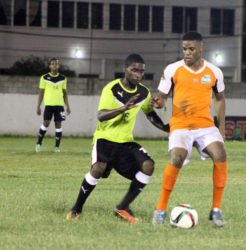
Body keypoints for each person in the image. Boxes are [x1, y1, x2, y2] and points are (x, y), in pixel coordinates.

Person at [66, 54, 169, 223]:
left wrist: (166, 128)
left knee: (148, 165)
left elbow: (149, 113)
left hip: (125, 142)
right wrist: (123, 108)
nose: (138, 74)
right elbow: (100, 115)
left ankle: (122, 207)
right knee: (98, 168)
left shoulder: (143, 92)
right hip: (105, 139)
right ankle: (76, 208)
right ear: (125, 69)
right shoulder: (112, 88)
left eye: (141, 72)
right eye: (134, 70)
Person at [151, 31, 228, 227]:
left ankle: (216, 209)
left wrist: (221, 128)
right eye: (184, 49)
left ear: (201, 49)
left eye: (191, 49)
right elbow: (162, 97)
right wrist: (157, 103)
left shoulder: (214, 72)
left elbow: (219, 99)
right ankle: (160, 209)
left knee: (220, 154)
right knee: (176, 157)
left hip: (205, 125)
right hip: (180, 124)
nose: (187, 53)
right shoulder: (172, 70)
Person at [36, 58, 71, 152]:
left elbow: (65, 93)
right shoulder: (44, 77)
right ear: (50, 66)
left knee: (58, 124)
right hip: (49, 105)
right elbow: (41, 93)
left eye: (56, 64)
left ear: (58, 66)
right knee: (46, 122)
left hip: (59, 106)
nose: (54, 65)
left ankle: (57, 147)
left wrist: (68, 106)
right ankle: (39, 143)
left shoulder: (63, 78)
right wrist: (38, 106)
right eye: (52, 64)